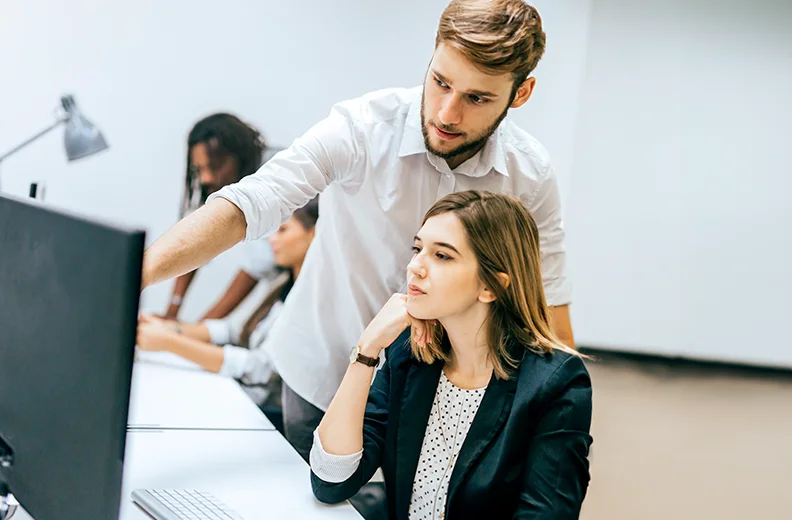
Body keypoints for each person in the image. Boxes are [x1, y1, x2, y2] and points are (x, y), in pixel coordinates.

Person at [141, 0, 575, 459]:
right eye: (440, 82)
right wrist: (134, 275)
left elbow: (547, 295)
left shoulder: (527, 174)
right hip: (322, 372)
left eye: (477, 98)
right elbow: (250, 202)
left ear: (520, 93)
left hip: (439, 392)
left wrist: (559, 421)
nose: (447, 113)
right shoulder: (365, 127)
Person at [310, 191, 592, 519]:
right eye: (418, 249)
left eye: (442, 256)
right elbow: (331, 481)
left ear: (492, 287)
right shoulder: (410, 354)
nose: (415, 267)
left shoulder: (555, 383)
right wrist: (366, 351)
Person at [137, 198, 320, 412]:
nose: (271, 239)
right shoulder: (280, 285)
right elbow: (234, 331)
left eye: (283, 230)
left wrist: (170, 342)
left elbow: (261, 369)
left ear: (314, 233)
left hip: (266, 414)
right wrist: (171, 328)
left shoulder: (313, 301)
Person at [162, 113, 276, 321]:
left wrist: (189, 332)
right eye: (199, 170)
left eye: (215, 167)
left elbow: (259, 262)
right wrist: (171, 312)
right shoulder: (222, 183)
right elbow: (195, 236)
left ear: (240, 156)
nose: (206, 178)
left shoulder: (273, 179)